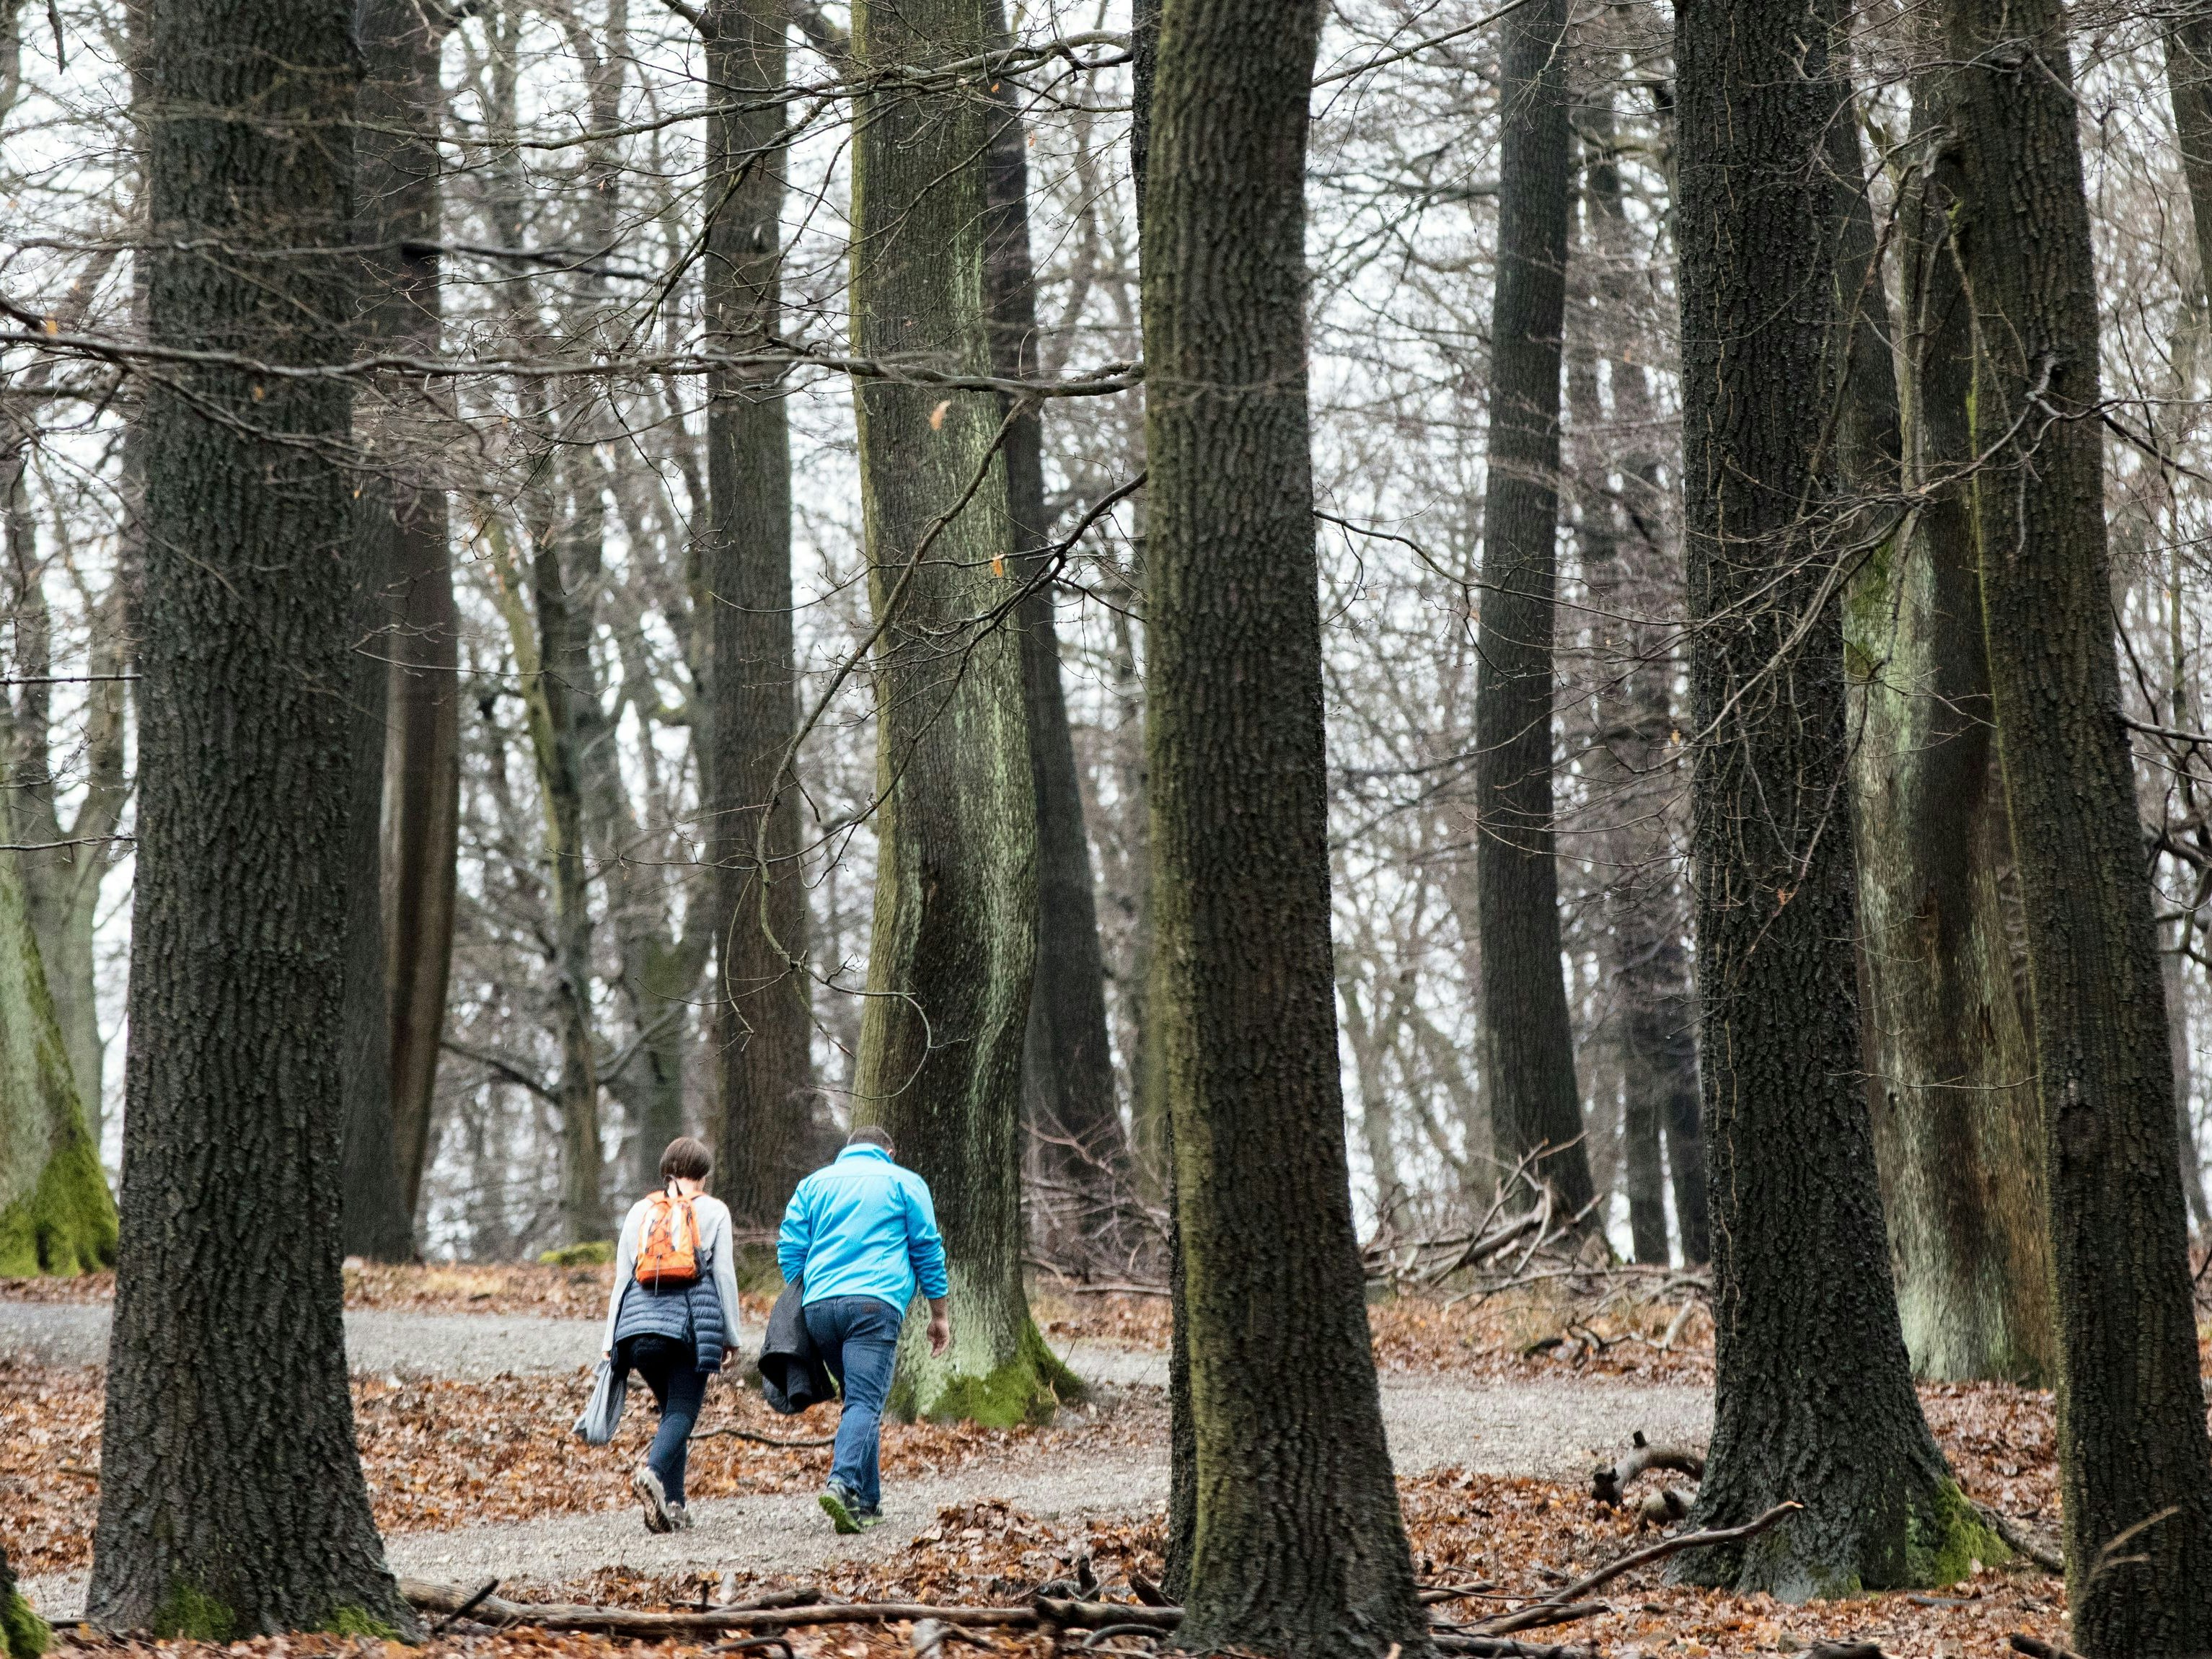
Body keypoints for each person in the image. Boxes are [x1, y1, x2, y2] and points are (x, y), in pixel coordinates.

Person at [777, 1124, 951, 1533]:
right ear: (889, 1152)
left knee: (858, 1400)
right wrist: (938, 1313)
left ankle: (866, 1502)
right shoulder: (905, 1182)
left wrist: (803, 1289)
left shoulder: (813, 1184)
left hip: (819, 1306)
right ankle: (841, 1484)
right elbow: (926, 1248)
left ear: (848, 1151)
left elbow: (790, 1247)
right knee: (865, 1402)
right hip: (874, 1303)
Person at [602, 1135, 741, 1533]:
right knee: (683, 1412)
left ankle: (674, 1506)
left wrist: (610, 1340)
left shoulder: (638, 1212)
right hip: (688, 1327)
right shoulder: (714, 1211)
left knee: (671, 1414)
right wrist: (732, 1335)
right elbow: (724, 1276)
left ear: (667, 1172)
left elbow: (622, 1280)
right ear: (705, 1175)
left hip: (637, 1331)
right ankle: (653, 1473)